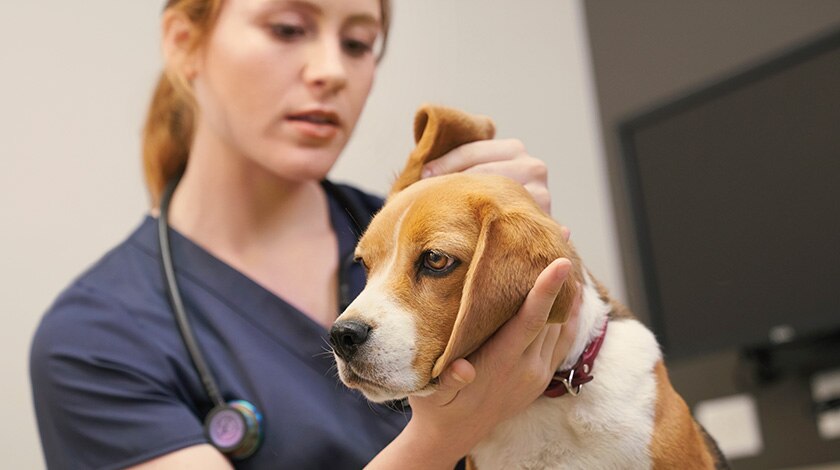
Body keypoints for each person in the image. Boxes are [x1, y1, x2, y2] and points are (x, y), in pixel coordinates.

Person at [29, 0, 581, 468]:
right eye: (288, 29)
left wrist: (521, 252)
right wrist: (441, 438)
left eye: (359, 43)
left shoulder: (451, 247)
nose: (331, 70)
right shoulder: (94, 342)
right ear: (183, 42)